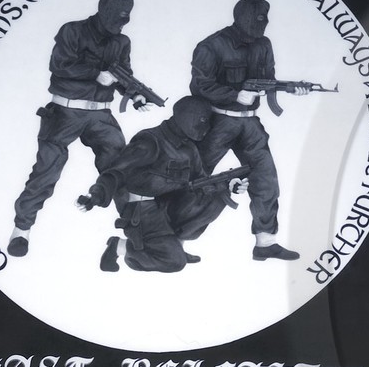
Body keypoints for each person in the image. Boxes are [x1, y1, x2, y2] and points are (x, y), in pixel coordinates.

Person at [8, 0, 149, 257]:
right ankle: (21, 231)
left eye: (123, 21)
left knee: (122, 168)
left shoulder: (122, 41)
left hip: (101, 115)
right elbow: (60, 65)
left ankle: (136, 232)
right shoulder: (73, 31)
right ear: (103, 12)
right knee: (48, 168)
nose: (118, 26)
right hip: (65, 110)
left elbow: (123, 76)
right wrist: (96, 74)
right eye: (115, 20)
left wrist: (135, 94)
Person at [188, 0, 304, 261]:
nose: (262, 25)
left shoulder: (264, 45)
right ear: (242, 18)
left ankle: (265, 242)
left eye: (264, 20)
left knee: (266, 179)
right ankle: (171, 236)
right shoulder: (211, 45)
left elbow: (269, 80)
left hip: (250, 123)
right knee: (194, 177)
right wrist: (233, 95)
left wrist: (292, 88)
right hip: (217, 121)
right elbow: (199, 86)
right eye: (257, 20)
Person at [77, 97, 245, 272]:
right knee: (174, 262)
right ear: (187, 117)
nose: (207, 127)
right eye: (203, 121)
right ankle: (120, 246)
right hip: (142, 208)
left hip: (168, 204)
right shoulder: (150, 141)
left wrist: (228, 184)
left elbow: (201, 181)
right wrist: (95, 195)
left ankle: (173, 245)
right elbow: (117, 171)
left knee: (216, 197)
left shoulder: (189, 148)